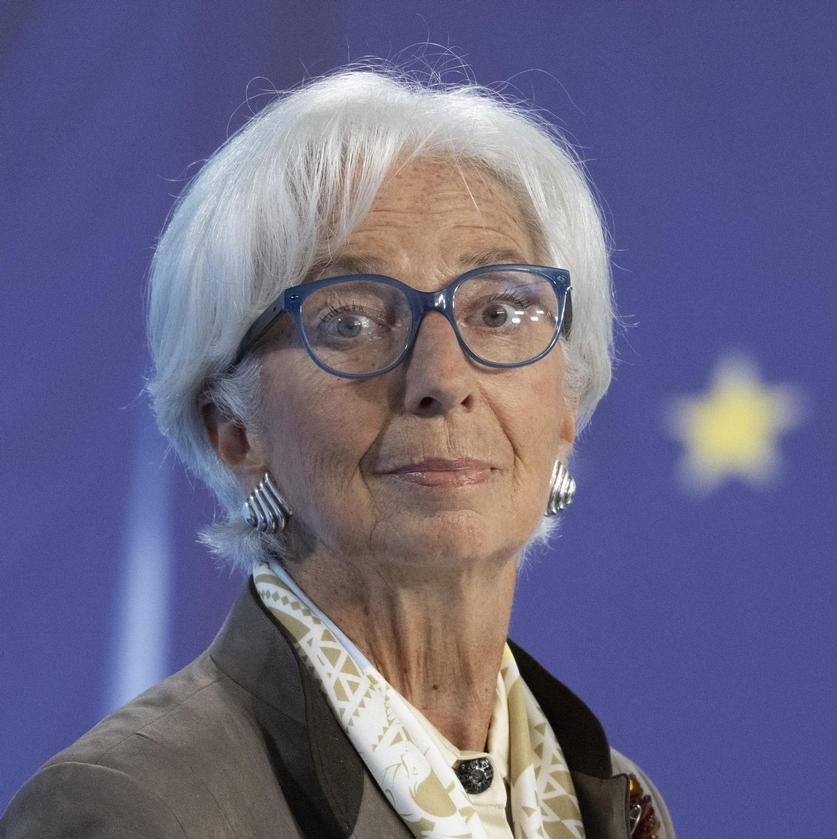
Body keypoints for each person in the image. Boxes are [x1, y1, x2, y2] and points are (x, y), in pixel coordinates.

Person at [1, 67, 672, 839]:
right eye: (350, 321)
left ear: (566, 406)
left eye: (498, 310)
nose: (443, 379)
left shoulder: (617, 800)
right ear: (234, 430)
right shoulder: (128, 808)